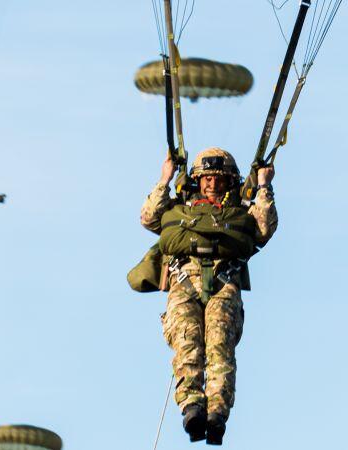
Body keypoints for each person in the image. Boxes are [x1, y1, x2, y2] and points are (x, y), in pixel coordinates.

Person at [140, 147, 277, 445]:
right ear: (196, 181)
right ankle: (191, 407)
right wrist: (165, 178)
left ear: (229, 182)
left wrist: (264, 186)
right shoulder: (180, 209)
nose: (212, 184)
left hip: (223, 281)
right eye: (206, 179)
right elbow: (150, 218)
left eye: (218, 179)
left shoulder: (240, 212)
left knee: (219, 346)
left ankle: (217, 413)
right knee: (187, 343)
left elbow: (264, 229)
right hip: (183, 280)